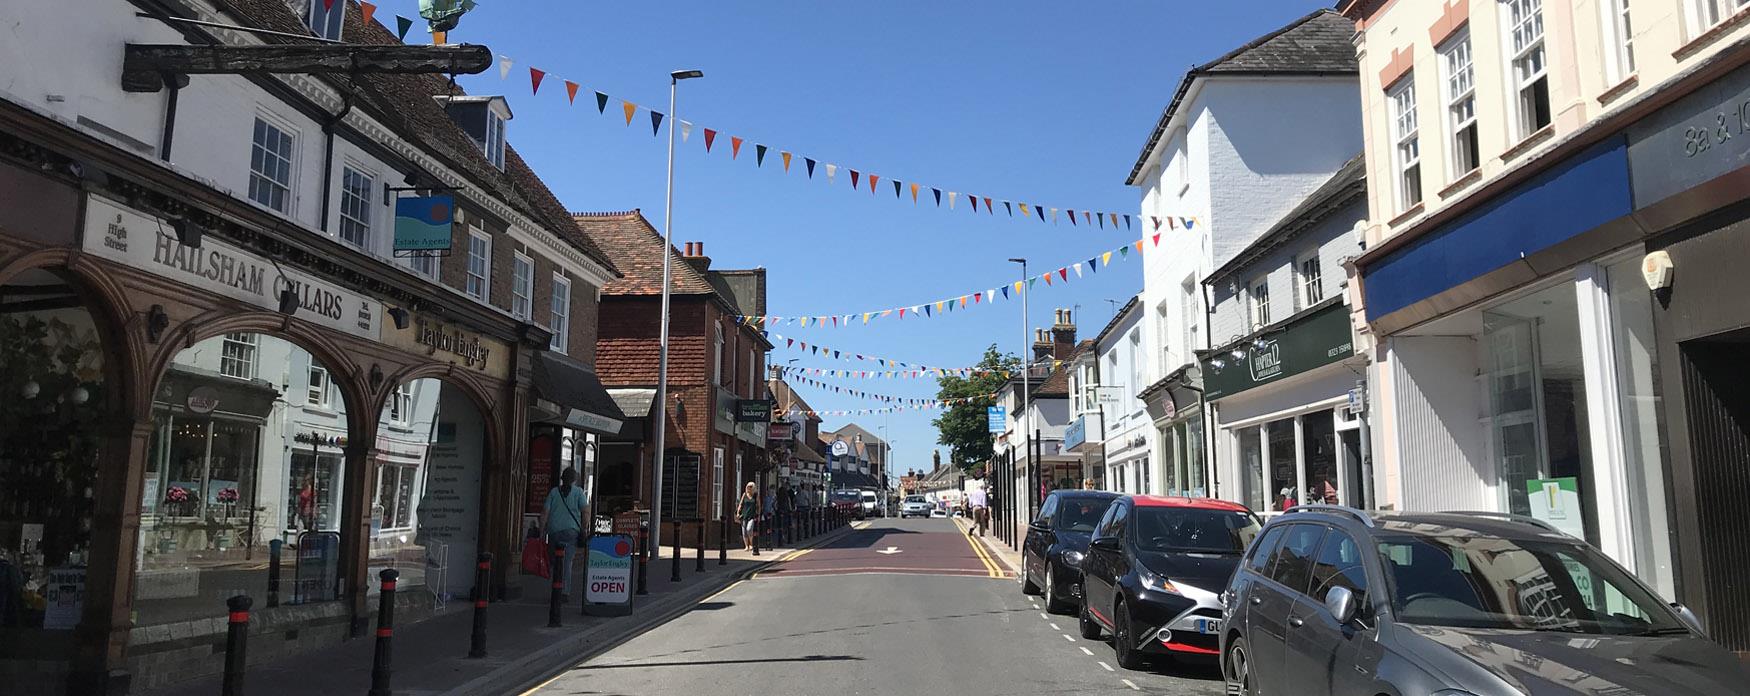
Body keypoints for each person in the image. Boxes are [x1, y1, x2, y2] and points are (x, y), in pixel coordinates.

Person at [542, 468, 587, 600]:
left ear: (562, 479)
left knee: (555, 561)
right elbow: (585, 513)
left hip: (554, 531)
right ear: (574, 480)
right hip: (571, 532)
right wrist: (584, 528)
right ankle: (564, 592)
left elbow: (545, 512)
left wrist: (541, 532)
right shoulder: (578, 492)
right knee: (567, 562)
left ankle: (555, 588)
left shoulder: (554, 492)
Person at [737, 482, 760, 551]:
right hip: (744, 515)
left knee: (749, 529)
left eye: (750, 487)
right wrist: (738, 512)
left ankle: (751, 544)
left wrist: (758, 515)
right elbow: (741, 504)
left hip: (752, 516)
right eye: (748, 487)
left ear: (753, 488)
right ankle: (746, 546)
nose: (748, 488)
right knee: (744, 532)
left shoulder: (756, 495)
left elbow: (758, 506)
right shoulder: (744, 495)